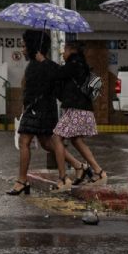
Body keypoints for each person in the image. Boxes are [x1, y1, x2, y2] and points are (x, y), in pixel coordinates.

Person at [8, 30, 85, 195]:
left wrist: (43, 62)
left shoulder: (43, 64)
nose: (22, 50)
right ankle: (78, 165)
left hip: (38, 110)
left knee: (24, 142)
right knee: (47, 144)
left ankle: (22, 181)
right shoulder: (36, 64)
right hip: (40, 109)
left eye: (24, 46)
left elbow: (55, 76)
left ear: (33, 47)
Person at [36, 41, 107, 192]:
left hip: (77, 109)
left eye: (64, 50)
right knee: (76, 140)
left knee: (56, 138)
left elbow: (58, 73)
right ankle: (98, 172)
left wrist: (44, 60)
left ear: (72, 50)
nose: (63, 53)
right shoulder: (79, 64)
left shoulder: (75, 63)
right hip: (81, 108)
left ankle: (63, 179)